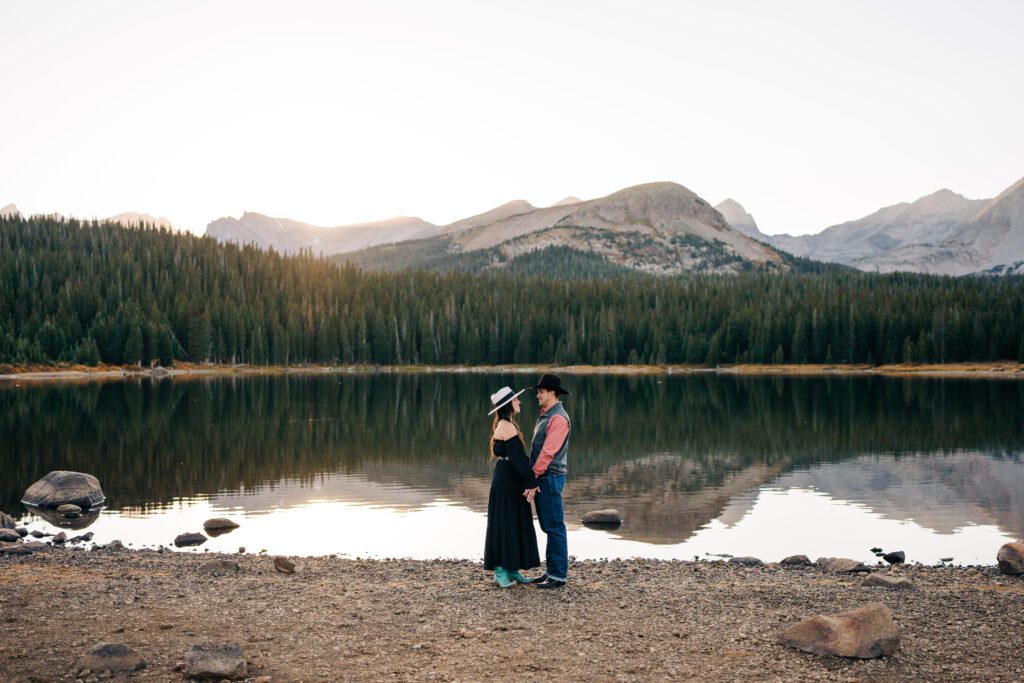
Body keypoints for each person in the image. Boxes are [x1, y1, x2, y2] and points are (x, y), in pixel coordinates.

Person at [483, 386, 542, 588]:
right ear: (509, 404)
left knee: (512, 522)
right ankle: (500, 571)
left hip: (509, 480)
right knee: (505, 523)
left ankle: (511, 569)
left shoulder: (506, 424)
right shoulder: (506, 426)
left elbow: (518, 460)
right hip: (506, 482)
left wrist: (528, 479)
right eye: (516, 400)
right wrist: (532, 480)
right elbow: (518, 459)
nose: (519, 402)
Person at [528, 373, 572, 589]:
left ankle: (558, 575)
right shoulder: (547, 415)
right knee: (548, 526)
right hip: (545, 477)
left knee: (554, 526)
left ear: (552, 393)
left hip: (550, 478)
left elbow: (547, 452)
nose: (538, 395)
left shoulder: (559, 418)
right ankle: (550, 572)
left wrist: (532, 477)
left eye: (541, 391)